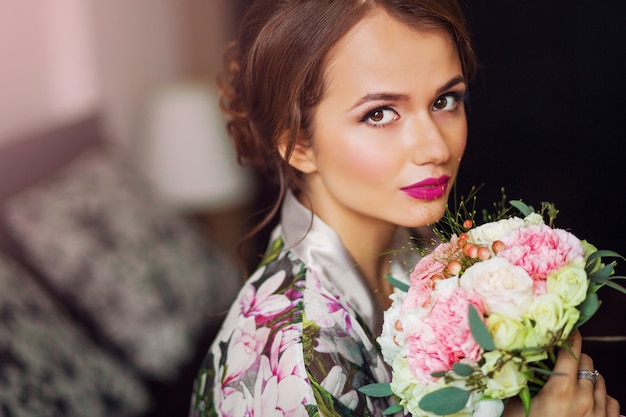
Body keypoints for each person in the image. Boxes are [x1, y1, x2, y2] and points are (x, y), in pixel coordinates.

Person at [189, 0, 621, 416]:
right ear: (297, 143)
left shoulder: (420, 246)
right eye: (379, 114)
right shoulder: (297, 368)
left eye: (445, 100)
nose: (435, 148)